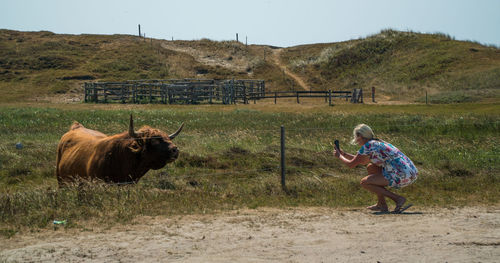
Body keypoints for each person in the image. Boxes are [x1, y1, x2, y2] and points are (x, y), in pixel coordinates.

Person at [334, 124, 418, 213]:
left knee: (365, 182)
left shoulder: (367, 146)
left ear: (360, 136)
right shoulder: (378, 142)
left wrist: (339, 156)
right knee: (371, 167)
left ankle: (397, 199)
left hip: (401, 175)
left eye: (356, 137)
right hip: (411, 173)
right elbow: (362, 161)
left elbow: (351, 164)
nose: (356, 141)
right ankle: (381, 204)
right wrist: (344, 154)